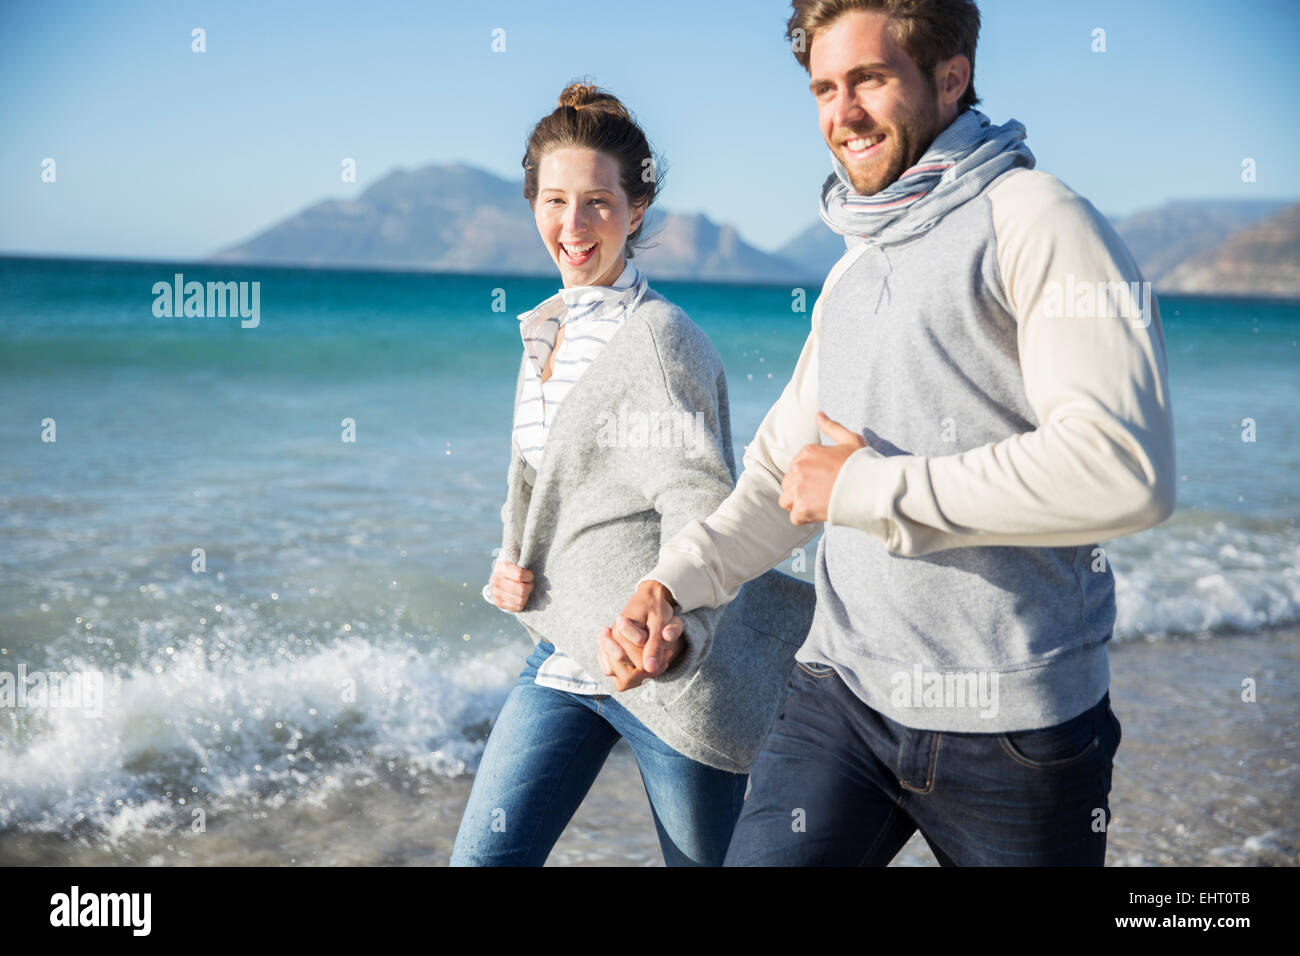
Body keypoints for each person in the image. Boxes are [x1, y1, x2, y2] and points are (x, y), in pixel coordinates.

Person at [608, 0, 1176, 866]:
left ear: (951, 78)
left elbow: (1122, 468)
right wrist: (674, 586)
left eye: (869, 79)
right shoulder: (855, 262)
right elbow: (784, 482)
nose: (842, 114)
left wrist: (871, 490)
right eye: (824, 88)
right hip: (841, 700)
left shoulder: (1039, 220)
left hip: (1016, 733)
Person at [450, 82, 815, 867]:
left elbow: (700, 496)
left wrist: (679, 622)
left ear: (637, 207)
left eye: (597, 202)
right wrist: (507, 564)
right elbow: (539, 481)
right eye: (554, 200)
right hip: (561, 657)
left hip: (665, 676)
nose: (573, 225)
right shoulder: (546, 331)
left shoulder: (660, 339)